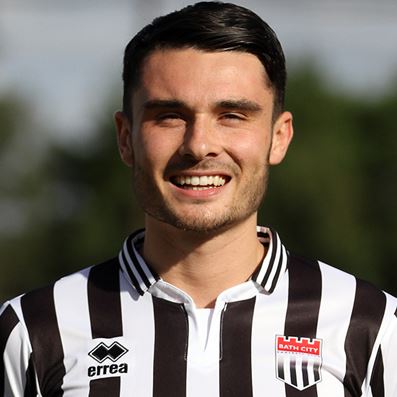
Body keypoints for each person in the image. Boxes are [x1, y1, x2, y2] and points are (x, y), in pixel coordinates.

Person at [1, 2, 396, 396]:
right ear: (126, 138)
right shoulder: (33, 328)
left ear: (279, 137)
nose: (199, 145)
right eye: (170, 116)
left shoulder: (373, 325)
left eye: (232, 116)